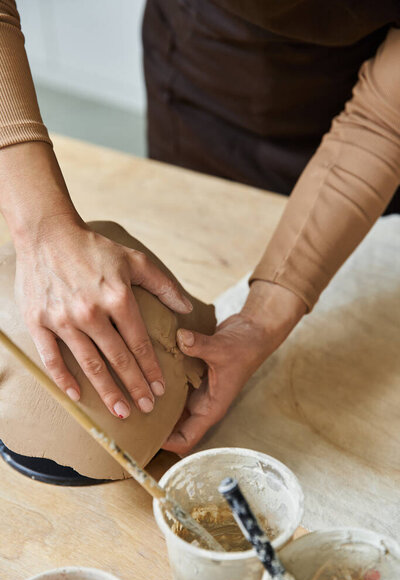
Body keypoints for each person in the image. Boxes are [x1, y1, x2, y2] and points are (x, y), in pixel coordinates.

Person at [0, 1, 399, 455]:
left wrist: (262, 318)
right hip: (209, 58)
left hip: (364, 86)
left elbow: (383, 122)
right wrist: (41, 226)